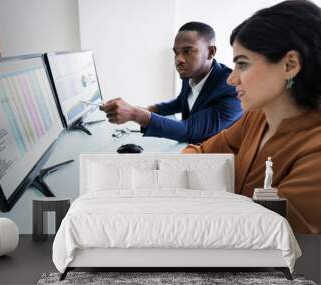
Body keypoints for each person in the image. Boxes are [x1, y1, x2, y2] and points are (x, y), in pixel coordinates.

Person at [183, 0, 321, 234]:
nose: (231, 79)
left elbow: (263, 234)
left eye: (243, 65)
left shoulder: (316, 152)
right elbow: (201, 154)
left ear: (289, 65)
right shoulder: (257, 117)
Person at [100, 22, 242, 143]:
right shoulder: (192, 74)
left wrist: (135, 114)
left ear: (211, 52)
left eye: (187, 51)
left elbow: (189, 129)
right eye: (176, 52)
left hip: (218, 161)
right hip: (191, 150)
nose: (179, 59)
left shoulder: (232, 89)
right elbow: (182, 101)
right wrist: (147, 109)